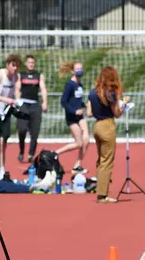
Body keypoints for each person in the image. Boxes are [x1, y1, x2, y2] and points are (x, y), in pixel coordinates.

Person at [88, 66, 131, 203]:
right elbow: (117, 113)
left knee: (101, 159)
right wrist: (124, 104)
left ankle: (101, 188)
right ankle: (102, 195)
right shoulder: (110, 93)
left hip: (96, 126)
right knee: (107, 161)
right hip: (107, 125)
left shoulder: (93, 92)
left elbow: (89, 112)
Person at [54, 61, 89, 174]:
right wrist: (74, 111)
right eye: (77, 69)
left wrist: (84, 106)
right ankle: (55, 153)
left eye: (81, 68)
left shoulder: (80, 85)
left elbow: (77, 100)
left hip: (80, 117)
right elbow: (63, 101)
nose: (80, 71)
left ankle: (78, 165)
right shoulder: (70, 85)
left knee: (86, 140)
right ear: (72, 71)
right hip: (71, 117)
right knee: (79, 143)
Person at [16, 55, 48, 164]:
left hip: (35, 105)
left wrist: (45, 102)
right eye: (29, 62)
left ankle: (31, 154)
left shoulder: (39, 75)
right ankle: (21, 151)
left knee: (35, 132)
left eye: (33, 62)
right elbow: (17, 89)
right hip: (23, 104)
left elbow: (43, 89)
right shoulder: (21, 75)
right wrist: (17, 102)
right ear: (26, 64)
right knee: (22, 129)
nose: (31, 64)